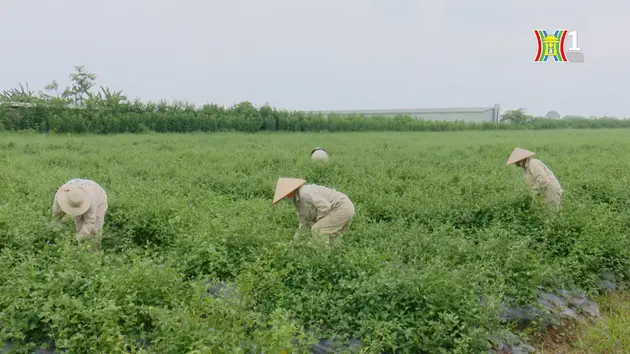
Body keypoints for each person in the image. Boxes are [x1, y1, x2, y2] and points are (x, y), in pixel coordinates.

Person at [272, 177, 355, 247]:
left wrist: (319, 221)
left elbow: (325, 207)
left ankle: (323, 259)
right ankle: (334, 256)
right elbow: (304, 221)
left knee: (317, 230)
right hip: (342, 208)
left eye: (284, 197)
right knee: (332, 237)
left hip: (341, 207)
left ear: (289, 193)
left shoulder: (305, 192)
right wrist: (295, 241)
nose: (284, 199)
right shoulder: (298, 200)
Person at [52, 178, 109, 251]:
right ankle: (82, 248)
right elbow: (56, 211)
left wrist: (81, 236)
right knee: (79, 223)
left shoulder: (91, 201)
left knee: (94, 230)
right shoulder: (61, 194)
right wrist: (56, 223)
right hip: (80, 195)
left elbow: (90, 221)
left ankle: (93, 251)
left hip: (99, 198)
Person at [506, 147, 563, 212]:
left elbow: (544, 180)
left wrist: (533, 191)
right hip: (543, 192)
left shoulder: (533, 163)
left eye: (518, 162)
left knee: (552, 214)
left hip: (550, 191)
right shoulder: (526, 168)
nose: (518, 165)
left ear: (522, 159)